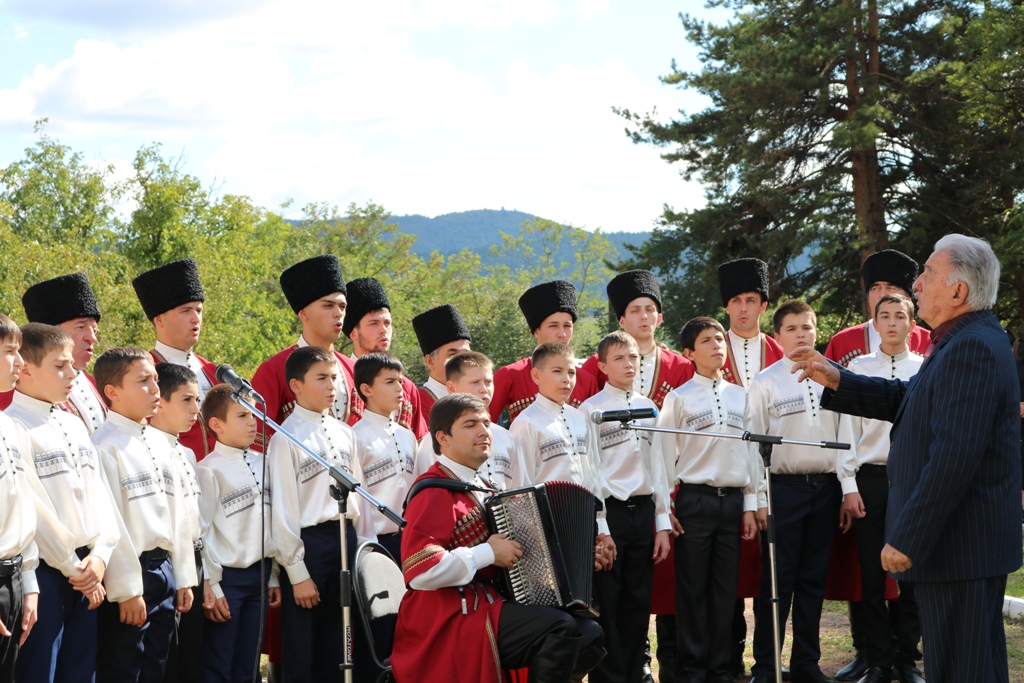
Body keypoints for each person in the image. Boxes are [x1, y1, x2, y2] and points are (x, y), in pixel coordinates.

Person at [792, 234, 1023, 683]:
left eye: (928, 274)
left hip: (960, 549)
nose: (915, 284)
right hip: (963, 549)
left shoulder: (970, 346)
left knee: (962, 670)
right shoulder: (962, 339)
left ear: (958, 291)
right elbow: (912, 400)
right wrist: (839, 378)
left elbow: (955, 455)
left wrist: (907, 537)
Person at [392, 393, 606, 683]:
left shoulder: (483, 487)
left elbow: (522, 554)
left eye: (486, 423)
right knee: (559, 627)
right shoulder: (433, 493)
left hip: (488, 601)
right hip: (447, 614)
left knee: (589, 633)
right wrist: (487, 553)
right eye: (470, 425)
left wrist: (575, 561)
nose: (483, 431)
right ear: (442, 437)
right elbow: (421, 572)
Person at [822, 249, 928, 682]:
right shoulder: (857, 369)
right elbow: (844, 431)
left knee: (912, 574)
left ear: (911, 323)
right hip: (869, 478)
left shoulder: (925, 369)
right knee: (870, 573)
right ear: (875, 322)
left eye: (900, 315)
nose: (892, 323)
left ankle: (907, 659)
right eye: (884, 315)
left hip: (912, 478)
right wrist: (848, 484)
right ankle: (878, 661)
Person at [5, 324, 119, 683]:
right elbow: (34, 508)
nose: (73, 373)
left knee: (81, 671)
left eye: (72, 364)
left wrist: (101, 554)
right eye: (59, 366)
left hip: (88, 570)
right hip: (48, 572)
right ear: (25, 369)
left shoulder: (74, 424)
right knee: (40, 671)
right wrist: (73, 567)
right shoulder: (13, 425)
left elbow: (101, 494)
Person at [657, 317, 760, 683]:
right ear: (689, 353)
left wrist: (749, 504)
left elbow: (749, 456)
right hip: (694, 502)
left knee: (724, 592)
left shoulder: (740, 395)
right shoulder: (678, 398)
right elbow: (663, 458)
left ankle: (720, 670)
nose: (717, 344)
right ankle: (691, 671)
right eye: (707, 340)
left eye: (720, 338)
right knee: (692, 591)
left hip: (732, 503)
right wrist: (664, 511)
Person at [267, 346, 375, 683]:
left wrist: (364, 552)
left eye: (335, 378)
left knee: (339, 638)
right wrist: (297, 572)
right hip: (309, 543)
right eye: (321, 378)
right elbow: (283, 508)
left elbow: (361, 500)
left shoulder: (347, 433)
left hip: (346, 537)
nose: (332, 386)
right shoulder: (286, 436)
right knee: (303, 643)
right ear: (296, 385)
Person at [747, 300, 840, 683]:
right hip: (782, 489)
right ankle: (767, 665)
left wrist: (847, 487)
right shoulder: (766, 381)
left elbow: (844, 434)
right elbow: (751, 445)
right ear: (779, 335)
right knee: (777, 581)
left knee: (813, 579)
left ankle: (806, 662)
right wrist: (760, 499)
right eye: (792, 328)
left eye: (807, 327)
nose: (801, 334)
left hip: (825, 488)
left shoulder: (835, 376)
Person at [92, 347, 197, 683]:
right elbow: (110, 523)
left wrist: (183, 575)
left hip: (163, 567)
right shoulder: (103, 445)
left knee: (158, 665)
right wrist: (127, 590)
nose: (155, 389)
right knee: (127, 666)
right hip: (132, 573)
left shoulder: (160, 442)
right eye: (143, 381)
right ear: (112, 392)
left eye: (155, 379)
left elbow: (177, 513)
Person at [579, 331, 673, 683]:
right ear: (602, 366)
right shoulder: (591, 410)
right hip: (611, 513)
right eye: (619, 358)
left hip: (643, 511)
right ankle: (610, 677)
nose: (629, 363)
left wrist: (662, 522)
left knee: (638, 601)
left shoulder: (650, 407)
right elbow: (592, 471)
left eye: (634, 356)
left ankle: (635, 673)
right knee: (609, 602)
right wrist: (601, 526)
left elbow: (660, 467)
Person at [716, 257, 784, 680]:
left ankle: (768, 662)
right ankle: (728, 657)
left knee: (770, 576)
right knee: (729, 576)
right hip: (727, 477)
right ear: (727, 306)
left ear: (764, 306)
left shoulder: (779, 351)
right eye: (737, 300)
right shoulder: (711, 347)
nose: (744, 308)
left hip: (778, 477)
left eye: (752, 300)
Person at [0, 315, 72, 683]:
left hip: (16, 576)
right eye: (11, 352)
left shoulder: (8, 426)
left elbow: (20, 509)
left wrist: (26, 582)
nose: (18, 362)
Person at [196, 385, 281, 683]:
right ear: (216, 425)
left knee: (249, 661)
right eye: (242, 415)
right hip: (227, 580)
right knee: (220, 660)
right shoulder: (208, 470)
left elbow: (270, 525)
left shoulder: (265, 463)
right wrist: (213, 586)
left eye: (255, 414)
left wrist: (271, 576)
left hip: (260, 576)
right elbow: (202, 533)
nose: (252, 422)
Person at [508, 342, 615, 565]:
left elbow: (592, 472)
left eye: (571, 372)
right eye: (557, 371)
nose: (567, 379)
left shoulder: (580, 418)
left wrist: (602, 526)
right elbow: (520, 488)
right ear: (536, 375)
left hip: (584, 520)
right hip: (547, 527)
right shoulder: (525, 423)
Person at [251, 254, 356, 453]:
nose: (338, 313)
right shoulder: (274, 369)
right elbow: (258, 444)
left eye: (342, 306)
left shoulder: (352, 369)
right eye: (328, 306)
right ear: (303, 313)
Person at [132, 259, 220, 459]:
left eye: (198, 311)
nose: (195, 318)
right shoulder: (142, 372)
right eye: (185, 311)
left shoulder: (212, 370)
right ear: (159, 319)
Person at [150, 364, 205, 683]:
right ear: (160, 400)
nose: (195, 410)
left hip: (194, 561)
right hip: (165, 563)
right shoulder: (150, 451)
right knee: (162, 658)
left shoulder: (186, 454)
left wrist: (208, 576)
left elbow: (198, 521)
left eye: (197, 400)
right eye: (186, 400)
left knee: (189, 658)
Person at [0, 273, 108, 433]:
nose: (92, 338)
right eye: (81, 327)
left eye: (94, 330)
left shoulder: (96, 383)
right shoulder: (12, 390)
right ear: (50, 332)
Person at [491, 280, 599, 424]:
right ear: (536, 330)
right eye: (553, 326)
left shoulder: (587, 380)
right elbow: (484, 423)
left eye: (567, 326)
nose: (562, 334)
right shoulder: (510, 375)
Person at [581, 270, 694, 406]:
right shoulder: (597, 363)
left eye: (650, 309)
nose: (644, 316)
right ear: (622, 321)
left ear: (659, 319)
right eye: (635, 310)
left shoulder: (680, 366)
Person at [414, 351, 524, 489]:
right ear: (452, 387)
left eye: (488, 382)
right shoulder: (435, 440)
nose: (484, 389)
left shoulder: (505, 436)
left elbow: (521, 488)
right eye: (475, 382)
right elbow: (430, 488)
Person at [342, 277, 428, 440]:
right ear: (353, 333)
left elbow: (419, 441)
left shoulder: (407, 387)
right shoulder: (341, 378)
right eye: (373, 324)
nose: (383, 330)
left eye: (387, 323)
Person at [351, 353, 416, 562]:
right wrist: (366, 549)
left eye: (400, 381)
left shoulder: (407, 435)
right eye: (390, 382)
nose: (399, 388)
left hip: (412, 539)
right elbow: (358, 501)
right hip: (377, 542)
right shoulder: (355, 436)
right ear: (366, 389)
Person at [410, 304, 472, 413]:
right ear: (430, 361)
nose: (462, 362)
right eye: (452, 355)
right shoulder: (415, 404)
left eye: (466, 354)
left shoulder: (476, 398)